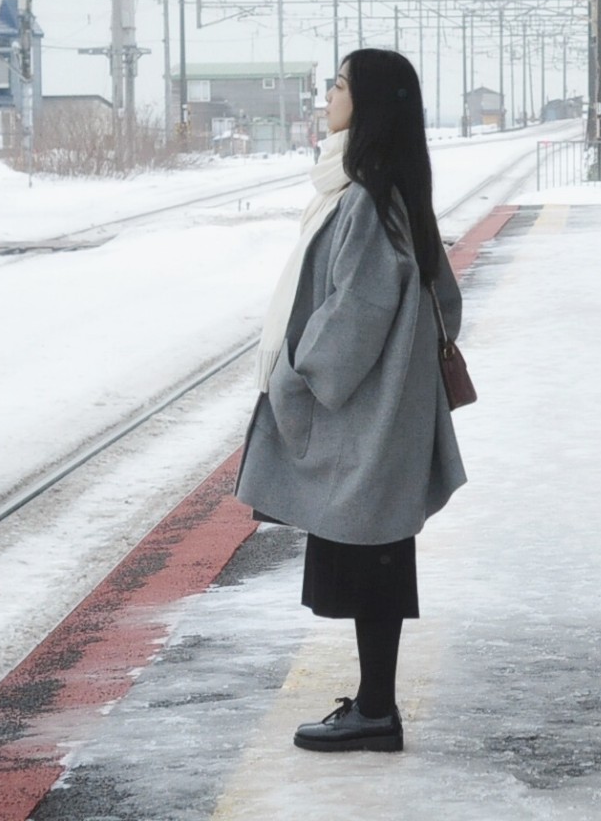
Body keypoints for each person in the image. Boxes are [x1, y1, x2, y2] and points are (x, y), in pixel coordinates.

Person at [234, 47, 465, 754]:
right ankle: (373, 704)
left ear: (365, 104)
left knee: (372, 557)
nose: (327, 95)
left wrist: (299, 376)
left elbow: (356, 310)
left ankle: (375, 712)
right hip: (387, 408)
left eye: (338, 85)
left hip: (365, 414)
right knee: (378, 557)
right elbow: (444, 304)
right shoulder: (390, 190)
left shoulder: (363, 196)